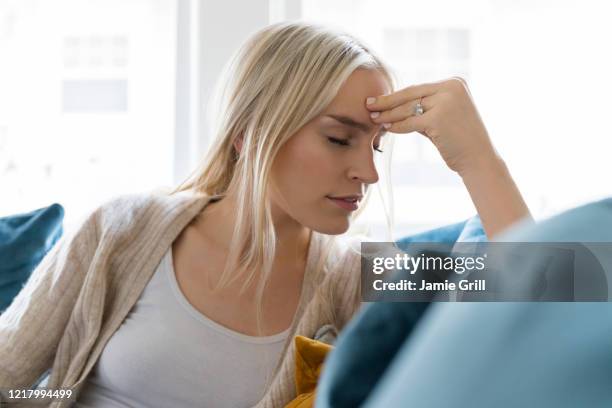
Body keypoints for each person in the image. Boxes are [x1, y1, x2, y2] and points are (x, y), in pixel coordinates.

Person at [0, 21, 531, 407]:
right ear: (250, 134)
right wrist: (50, 393)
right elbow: (10, 381)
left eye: (375, 147)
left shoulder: (356, 277)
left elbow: (560, 284)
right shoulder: (124, 229)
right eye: (340, 138)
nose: (368, 174)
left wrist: (478, 160)